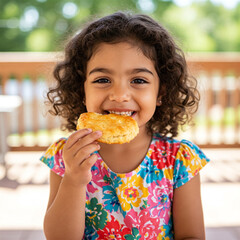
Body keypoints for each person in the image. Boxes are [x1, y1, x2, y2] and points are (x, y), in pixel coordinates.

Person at [40, 11, 210, 240]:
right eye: (102, 80)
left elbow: (192, 236)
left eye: (138, 80)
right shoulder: (68, 155)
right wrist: (74, 179)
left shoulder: (179, 160)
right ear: (82, 90)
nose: (119, 95)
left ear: (161, 92)